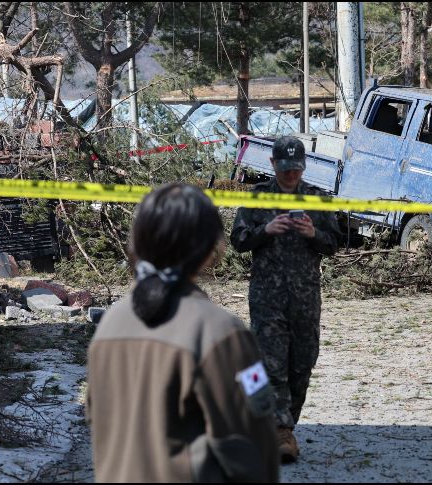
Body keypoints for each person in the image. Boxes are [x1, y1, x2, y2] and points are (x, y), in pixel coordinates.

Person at [87, 183, 279, 483]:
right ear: (209, 249)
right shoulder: (221, 332)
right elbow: (253, 447)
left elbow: (97, 420)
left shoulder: (109, 325)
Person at [230, 136, 342, 463]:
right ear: (272, 164)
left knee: (302, 364)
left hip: (305, 297)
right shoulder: (258, 197)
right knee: (272, 364)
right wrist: (266, 229)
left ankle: (282, 425)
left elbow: (334, 243)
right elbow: (238, 240)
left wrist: (313, 233)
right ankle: (281, 432)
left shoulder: (317, 199)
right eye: (285, 168)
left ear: (303, 166)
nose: (291, 174)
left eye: (296, 168)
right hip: (267, 296)